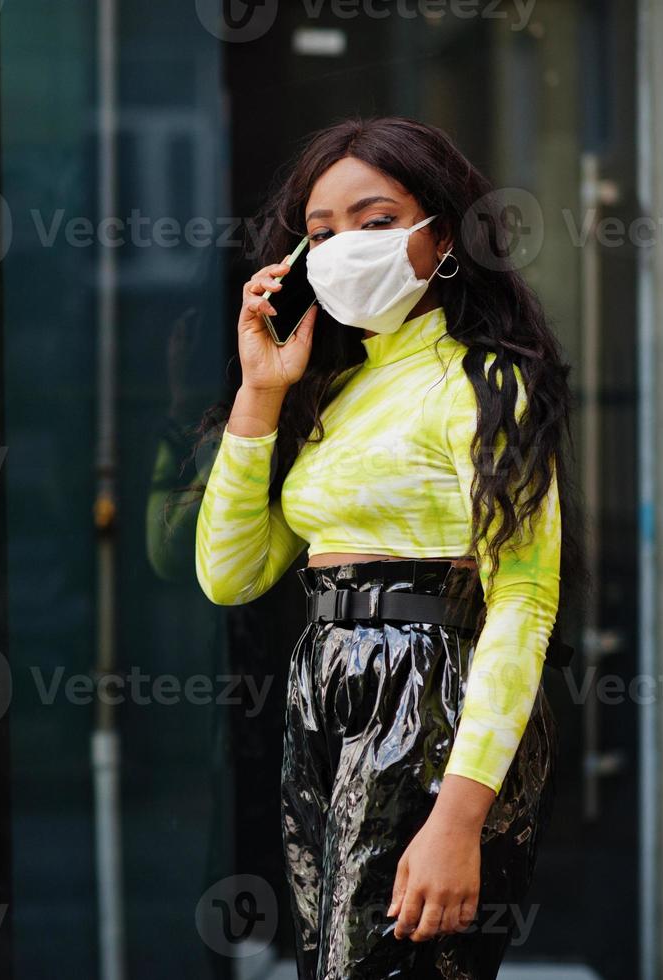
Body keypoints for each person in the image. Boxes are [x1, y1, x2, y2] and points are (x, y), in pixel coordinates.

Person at [193, 116, 581, 978]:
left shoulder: (484, 380)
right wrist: (259, 397)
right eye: (320, 233)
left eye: (374, 222)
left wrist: (457, 816)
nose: (343, 250)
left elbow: (523, 599)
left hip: (429, 689)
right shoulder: (331, 386)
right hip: (321, 684)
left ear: (442, 234)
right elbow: (227, 575)